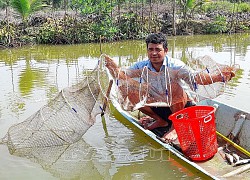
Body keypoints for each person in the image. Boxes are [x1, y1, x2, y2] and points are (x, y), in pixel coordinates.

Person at [104, 32, 235, 143]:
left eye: (158, 49)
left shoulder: (175, 66)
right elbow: (123, 76)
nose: (154, 53)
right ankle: (160, 121)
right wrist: (113, 67)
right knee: (128, 91)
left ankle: (175, 127)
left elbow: (196, 78)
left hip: (182, 109)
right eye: (151, 49)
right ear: (147, 50)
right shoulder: (142, 66)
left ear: (165, 51)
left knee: (173, 86)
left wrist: (218, 77)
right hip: (160, 106)